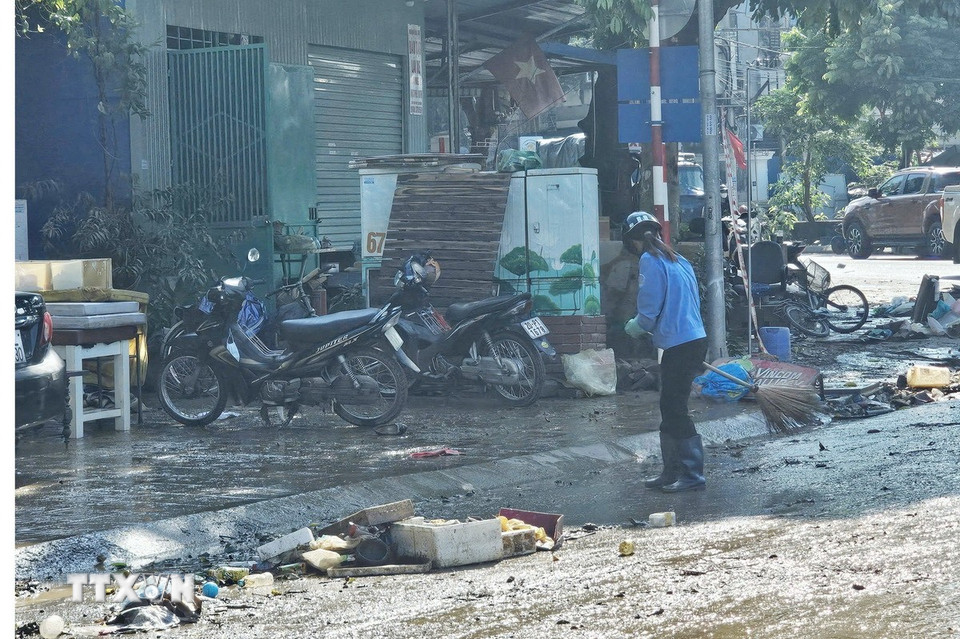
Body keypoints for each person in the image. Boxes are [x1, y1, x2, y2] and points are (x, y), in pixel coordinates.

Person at [622, 211, 708, 492]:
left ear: (632, 242)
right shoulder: (678, 259)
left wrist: (633, 327)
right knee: (669, 407)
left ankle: (692, 475)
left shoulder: (650, 260)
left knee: (674, 409)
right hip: (693, 339)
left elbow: (648, 314)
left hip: (679, 344)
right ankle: (671, 472)